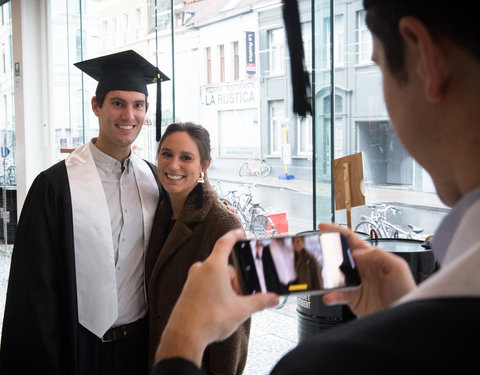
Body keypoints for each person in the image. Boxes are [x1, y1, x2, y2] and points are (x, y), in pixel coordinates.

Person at [150, 0, 480, 373]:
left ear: (425, 58)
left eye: (379, 64)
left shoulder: (324, 364)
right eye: (166, 154)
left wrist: (182, 339)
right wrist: (405, 316)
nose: (174, 166)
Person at [0, 50, 168, 375]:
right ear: (97, 106)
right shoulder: (55, 187)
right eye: (118, 103)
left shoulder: (155, 182)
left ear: (146, 112)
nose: (128, 115)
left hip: (141, 349)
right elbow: (34, 292)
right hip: (79, 350)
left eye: (138, 105)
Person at [144, 122, 248, 374]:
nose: (173, 165)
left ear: (204, 165)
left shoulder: (224, 225)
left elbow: (234, 328)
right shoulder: (158, 212)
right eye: (166, 154)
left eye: (186, 158)